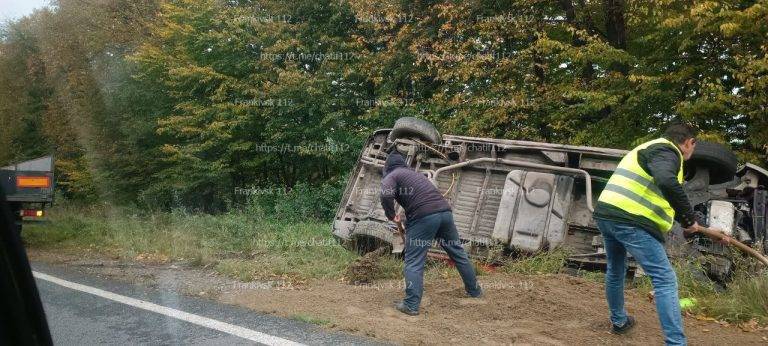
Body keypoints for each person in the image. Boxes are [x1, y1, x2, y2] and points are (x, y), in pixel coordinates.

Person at [594, 123, 725, 345]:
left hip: (608, 215)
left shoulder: (649, 148)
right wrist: (689, 220)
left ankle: (619, 322)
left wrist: (693, 224)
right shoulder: (667, 151)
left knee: (616, 270)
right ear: (689, 142)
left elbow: (662, 197)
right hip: (630, 221)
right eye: (693, 146)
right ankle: (676, 342)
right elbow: (666, 181)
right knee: (665, 279)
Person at [380, 149, 482, 316]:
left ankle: (411, 304)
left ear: (387, 166)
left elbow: (385, 194)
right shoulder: (416, 175)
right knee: (458, 253)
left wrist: (392, 215)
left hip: (424, 218)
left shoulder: (392, 175)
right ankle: (475, 291)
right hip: (445, 214)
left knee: (413, 261)